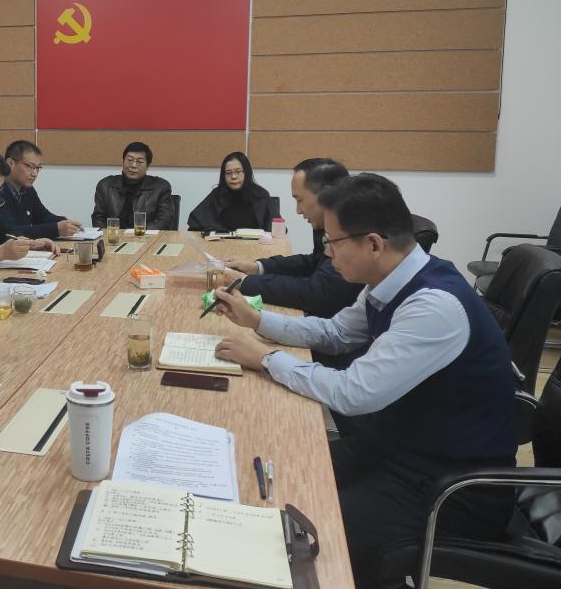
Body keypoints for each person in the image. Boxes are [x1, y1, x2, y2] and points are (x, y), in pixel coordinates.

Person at [211, 173, 517, 589]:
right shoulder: (390, 281)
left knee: (301, 539)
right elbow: (336, 333)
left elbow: (353, 393)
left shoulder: (433, 306)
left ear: (373, 244)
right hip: (396, 449)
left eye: (333, 242)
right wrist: (257, 320)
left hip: (450, 488)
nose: (327, 253)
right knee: (276, 475)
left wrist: (265, 359)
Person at [225, 158, 363, 319]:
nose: (298, 211)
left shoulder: (353, 234)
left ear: (326, 196)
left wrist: (246, 281)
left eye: (299, 200)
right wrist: (257, 267)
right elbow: (313, 263)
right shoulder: (327, 227)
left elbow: (317, 293)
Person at [0, 140, 83, 239]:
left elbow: (42, 217)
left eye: (38, 168)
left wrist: (65, 222)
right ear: (10, 163)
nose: (34, 173)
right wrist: (56, 228)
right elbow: (10, 231)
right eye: (30, 166)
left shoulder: (28, 190)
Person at [91, 142, 174, 230]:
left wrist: (138, 233)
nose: (133, 165)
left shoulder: (160, 187)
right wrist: (112, 234)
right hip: (113, 236)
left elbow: (165, 221)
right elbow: (98, 219)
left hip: (145, 236)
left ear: (148, 166)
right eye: (130, 160)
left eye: (140, 161)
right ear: (123, 161)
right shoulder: (106, 185)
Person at [187, 151, 273, 232]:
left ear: (247, 172)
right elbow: (195, 222)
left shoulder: (261, 195)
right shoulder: (217, 194)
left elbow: (274, 227)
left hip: (255, 242)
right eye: (228, 173)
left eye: (238, 171)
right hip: (222, 242)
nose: (233, 176)